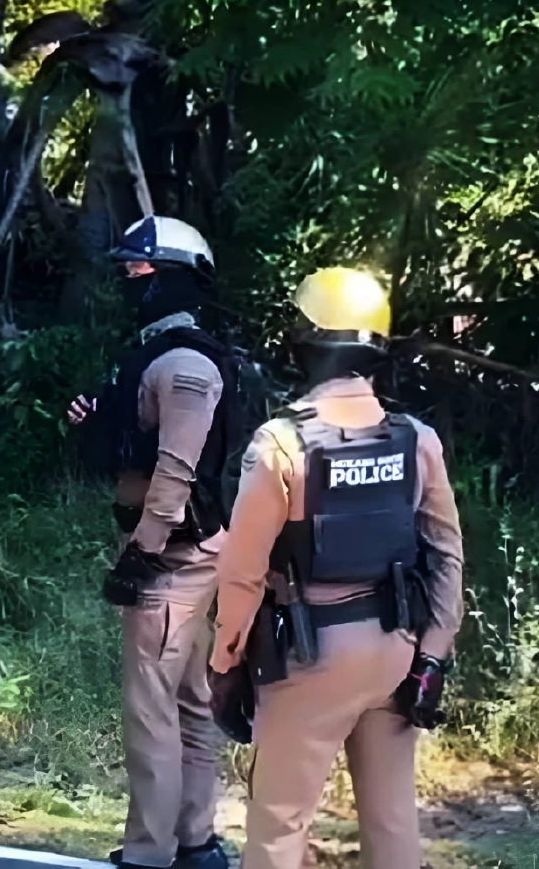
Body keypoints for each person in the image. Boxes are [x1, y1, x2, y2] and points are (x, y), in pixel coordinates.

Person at [209, 267, 465, 869]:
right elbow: (448, 552)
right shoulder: (415, 438)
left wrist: (223, 663)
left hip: (309, 654)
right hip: (397, 650)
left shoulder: (280, 444)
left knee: (279, 826)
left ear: (306, 343)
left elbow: (242, 574)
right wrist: (432, 653)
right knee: (392, 821)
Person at [68, 217, 236, 869]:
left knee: (153, 710)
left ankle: (150, 852)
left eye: (140, 268)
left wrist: (142, 553)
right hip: (187, 552)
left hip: (172, 558)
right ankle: (195, 842)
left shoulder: (186, 363)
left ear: (172, 276)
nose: (128, 277)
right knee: (189, 702)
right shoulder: (158, 353)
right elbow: (137, 443)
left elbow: (177, 468)